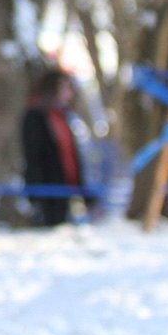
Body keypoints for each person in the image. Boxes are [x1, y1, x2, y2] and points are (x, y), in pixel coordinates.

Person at [21, 68, 101, 226]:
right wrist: (37, 199)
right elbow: (35, 158)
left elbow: (71, 160)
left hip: (65, 193)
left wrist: (85, 195)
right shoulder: (35, 118)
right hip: (47, 196)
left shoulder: (63, 118)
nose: (68, 94)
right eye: (63, 88)